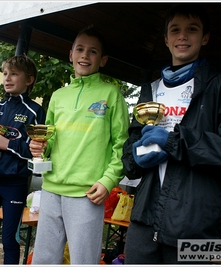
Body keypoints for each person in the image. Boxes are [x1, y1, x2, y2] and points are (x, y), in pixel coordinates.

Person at [121, 4, 221, 264]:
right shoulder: (150, 88)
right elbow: (131, 144)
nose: (183, 36)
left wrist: (175, 142)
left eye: (192, 29)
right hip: (145, 218)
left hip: (197, 223)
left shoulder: (220, 85)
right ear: (166, 39)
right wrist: (135, 157)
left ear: (204, 37)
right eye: (175, 30)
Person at [29, 25, 130, 264]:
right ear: (71, 54)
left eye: (93, 51)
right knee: (44, 260)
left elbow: (121, 144)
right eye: (80, 49)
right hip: (52, 189)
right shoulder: (58, 96)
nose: (85, 55)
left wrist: (108, 181)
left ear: (103, 60)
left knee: (83, 261)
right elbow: (50, 139)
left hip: (88, 193)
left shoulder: (112, 94)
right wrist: (41, 148)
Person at [0, 54, 46, 264]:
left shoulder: (35, 111)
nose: (7, 78)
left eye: (14, 74)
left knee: (9, 240)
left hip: (14, 184)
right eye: (5, 74)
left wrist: (8, 145)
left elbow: (36, 151)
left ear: (29, 80)